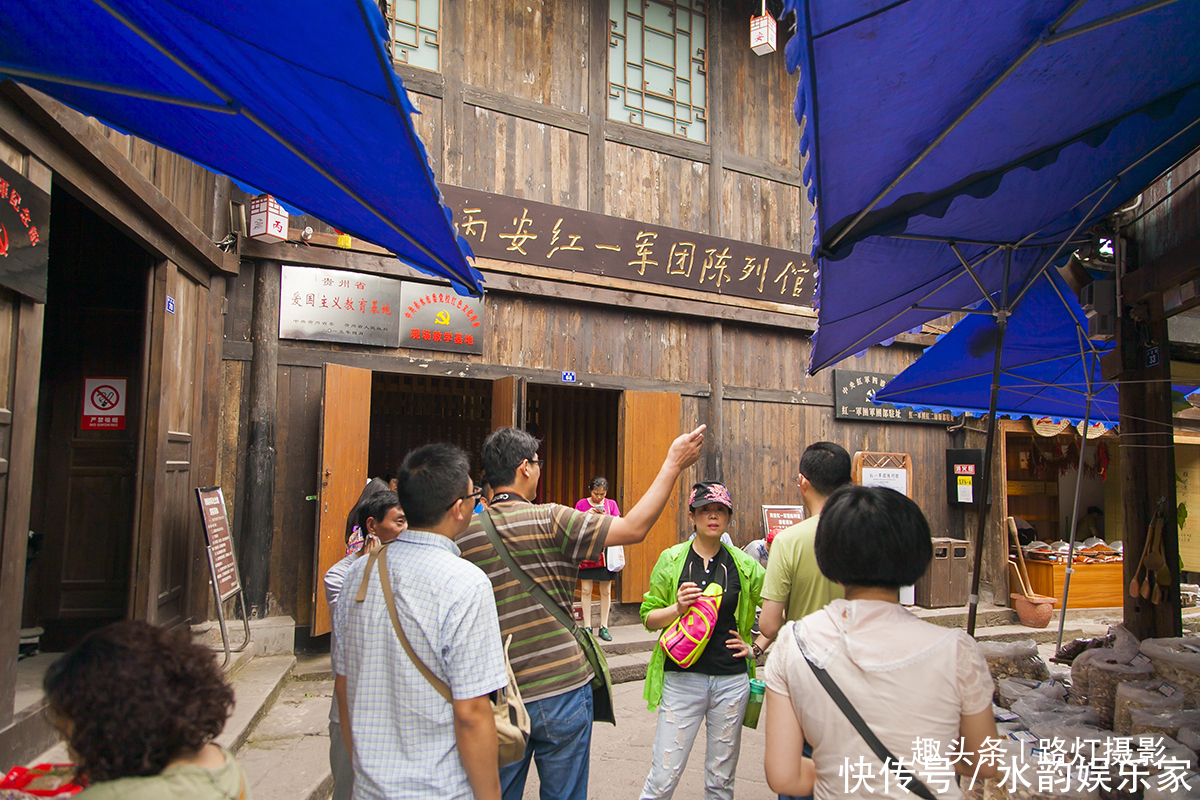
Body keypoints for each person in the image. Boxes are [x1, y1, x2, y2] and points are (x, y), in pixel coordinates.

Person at [457, 424, 706, 800]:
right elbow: (634, 528)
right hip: (562, 686)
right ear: (525, 468)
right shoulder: (552, 518)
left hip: (499, 691)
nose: (539, 470)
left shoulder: (464, 535)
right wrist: (672, 464)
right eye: (538, 462)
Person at [763, 486, 999, 800]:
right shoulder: (957, 650)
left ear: (828, 555)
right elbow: (984, 762)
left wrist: (844, 771)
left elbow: (784, 778)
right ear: (916, 555)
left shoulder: (793, 643)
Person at [333, 451, 509, 800]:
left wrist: (362, 773)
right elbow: (472, 712)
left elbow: (343, 688)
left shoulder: (356, 574)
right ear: (459, 509)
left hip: (369, 788)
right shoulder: (467, 584)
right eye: (474, 498)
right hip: (439, 788)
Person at [639, 481, 765, 800]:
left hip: (731, 682)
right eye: (705, 510)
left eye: (720, 510)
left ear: (728, 517)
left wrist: (758, 647)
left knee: (721, 781)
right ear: (692, 517)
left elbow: (779, 602)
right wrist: (677, 608)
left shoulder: (745, 565)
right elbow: (648, 617)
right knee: (663, 776)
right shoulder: (672, 559)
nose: (713, 516)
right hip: (681, 681)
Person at [42, 620, 247, 799]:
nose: (64, 742)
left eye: (66, 732)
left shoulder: (114, 796)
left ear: (105, 727)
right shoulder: (224, 766)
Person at [324, 476, 398, 800]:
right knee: (349, 785)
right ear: (372, 526)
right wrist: (368, 566)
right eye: (398, 521)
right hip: (353, 702)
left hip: (396, 701)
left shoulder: (406, 572)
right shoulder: (340, 576)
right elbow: (356, 626)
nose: (405, 530)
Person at [758, 442, 853, 641]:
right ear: (849, 483)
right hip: (859, 659)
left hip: (807, 660)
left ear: (803, 482)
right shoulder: (871, 533)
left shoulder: (787, 542)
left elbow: (768, 626)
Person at [574, 476, 624, 642]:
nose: (599, 497)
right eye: (596, 494)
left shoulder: (611, 505)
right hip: (588, 550)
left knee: (606, 590)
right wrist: (586, 514)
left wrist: (607, 517)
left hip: (605, 551)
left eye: (602, 494)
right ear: (590, 490)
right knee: (586, 590)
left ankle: (604, 626)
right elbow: (574, 525)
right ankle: (587, 626)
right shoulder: (581, 504)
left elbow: (618, 525)